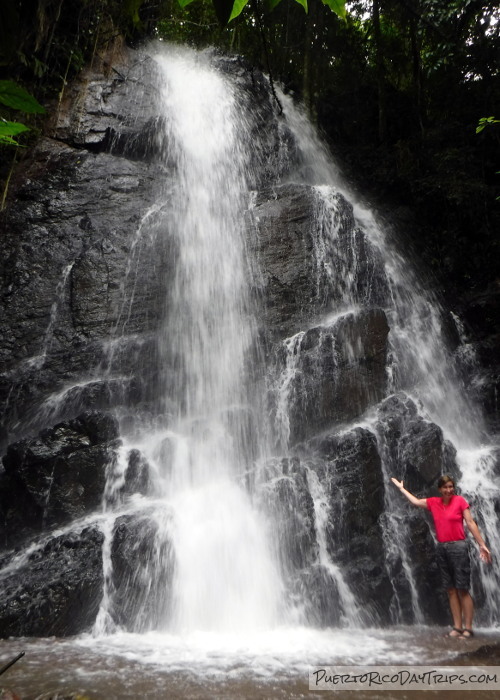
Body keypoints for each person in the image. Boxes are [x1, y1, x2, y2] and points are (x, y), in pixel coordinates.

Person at [390, 474, 492, 639]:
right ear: (440, 489)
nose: (448, 490)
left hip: (458, 546)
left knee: (463, 589)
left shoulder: (460, 501)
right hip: (442, 548)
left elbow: (471, 522)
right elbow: (415, 501)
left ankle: (468, 628)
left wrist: (482, 544)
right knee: (451, 590)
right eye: (445, 487)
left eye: (451, 487)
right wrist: (402, 489)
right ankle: (457, 627)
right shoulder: (433, 503)